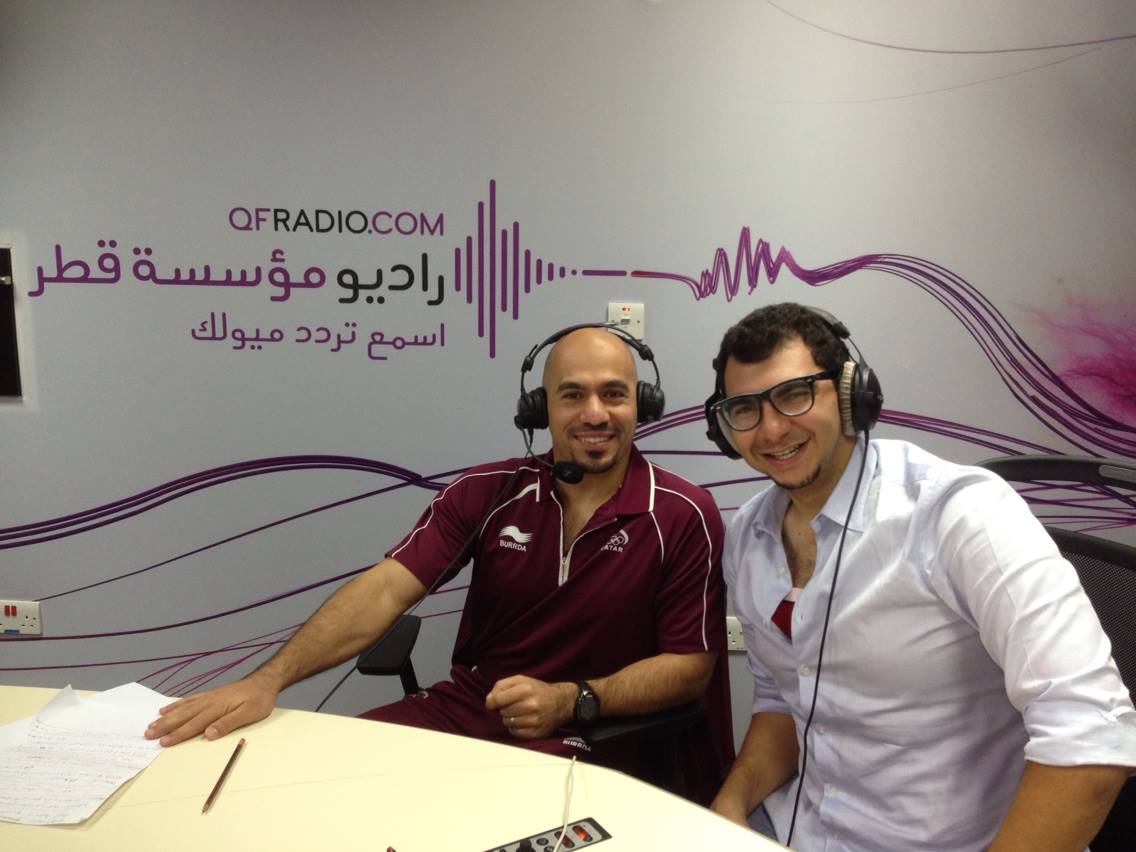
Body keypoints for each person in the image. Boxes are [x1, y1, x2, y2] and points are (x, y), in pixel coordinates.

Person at [146, 324, 732, 801]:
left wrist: (570, 699)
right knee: (318, 777)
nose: (595, 413)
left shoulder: (683, 513)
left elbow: (689, 668)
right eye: (572, 394)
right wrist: (266, 681)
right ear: (541, 409)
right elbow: (385, 590)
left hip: (592, 731)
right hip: (472, 709)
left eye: (614, 394)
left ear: (641, 404)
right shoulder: (487, 492)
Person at [704, 303, 1136, 850]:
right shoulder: (749, 536)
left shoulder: (961, 514)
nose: (770, 429)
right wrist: (729, 805)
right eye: (744, 408)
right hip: (804, 828)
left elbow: (1092, 734)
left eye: (794, 394)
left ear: (850, 394)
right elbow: (781, 700)